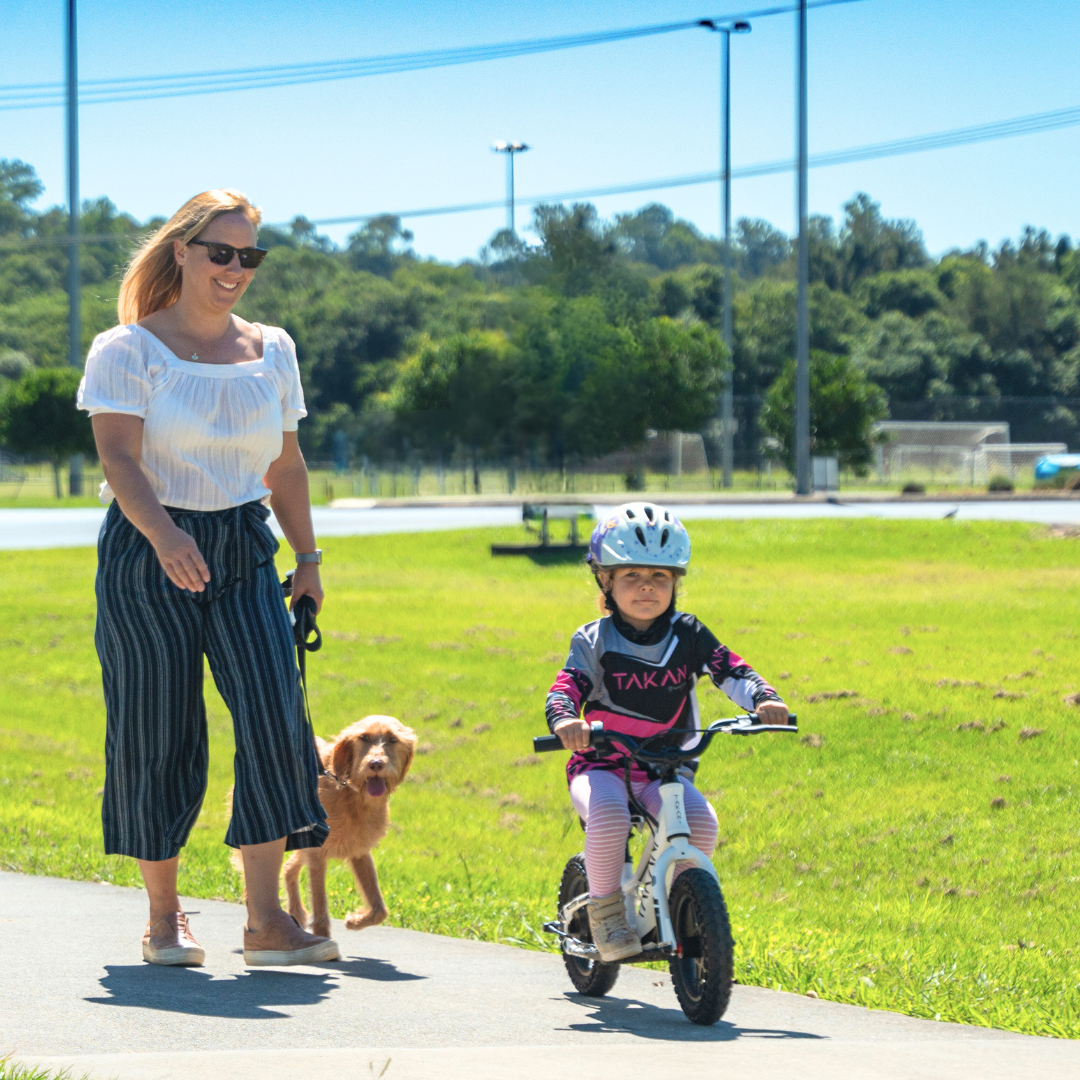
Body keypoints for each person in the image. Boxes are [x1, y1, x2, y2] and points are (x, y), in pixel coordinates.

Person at [78, 189, 339, 968]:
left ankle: (265, 922)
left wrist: (309, 560)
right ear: (183, 251)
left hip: (242, 546)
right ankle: (165, 918)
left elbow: (285, 465)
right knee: (159, 729)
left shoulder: (273, 349)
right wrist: (162, 536)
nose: (234, 269)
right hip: (145, 547)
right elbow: (119, 457)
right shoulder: (126, 349)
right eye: (220, 252)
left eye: (247, 256)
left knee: (273, 717)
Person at [545, 502, 789, 962]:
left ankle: (676, 903)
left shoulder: (689, 633)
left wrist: (764, 699)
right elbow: (565, 687)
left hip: (662, 769)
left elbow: (729, 669)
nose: (646, 587)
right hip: (601, 764)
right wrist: (565, 721)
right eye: (631, 575)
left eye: (659, 577)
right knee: (611, 817)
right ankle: (605, 910)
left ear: (676, 582)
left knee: (701, 824)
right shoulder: (593, 640)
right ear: (605, 580)